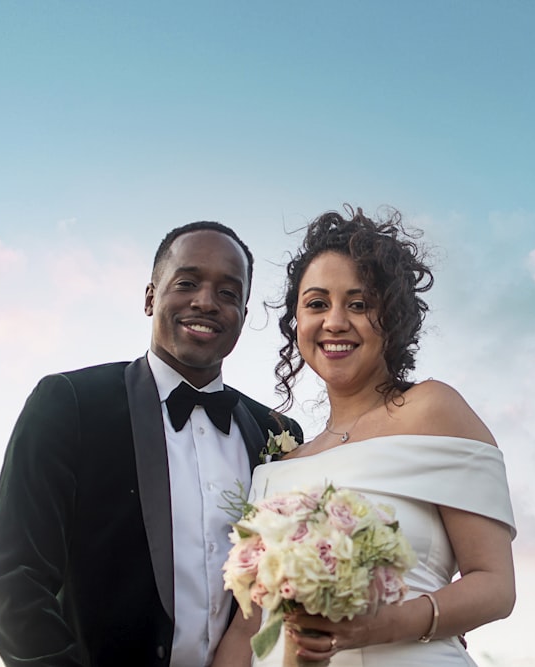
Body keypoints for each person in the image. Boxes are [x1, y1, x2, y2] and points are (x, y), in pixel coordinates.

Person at [0, 221, 303, 667]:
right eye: (187, 282)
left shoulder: (276, 434)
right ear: (151, 295)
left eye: (229, 293)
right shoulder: (69, 404)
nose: (206, 302)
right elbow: (17, 583)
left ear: (244, 317)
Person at [213, 206, 516, 666]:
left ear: (391, 317)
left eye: (359, 304)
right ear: (297, 322)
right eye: (317, 304)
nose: (335, 321)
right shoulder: (277, 468)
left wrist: (380, 627)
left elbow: (495, 585)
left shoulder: (433, 410)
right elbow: (247, 627)